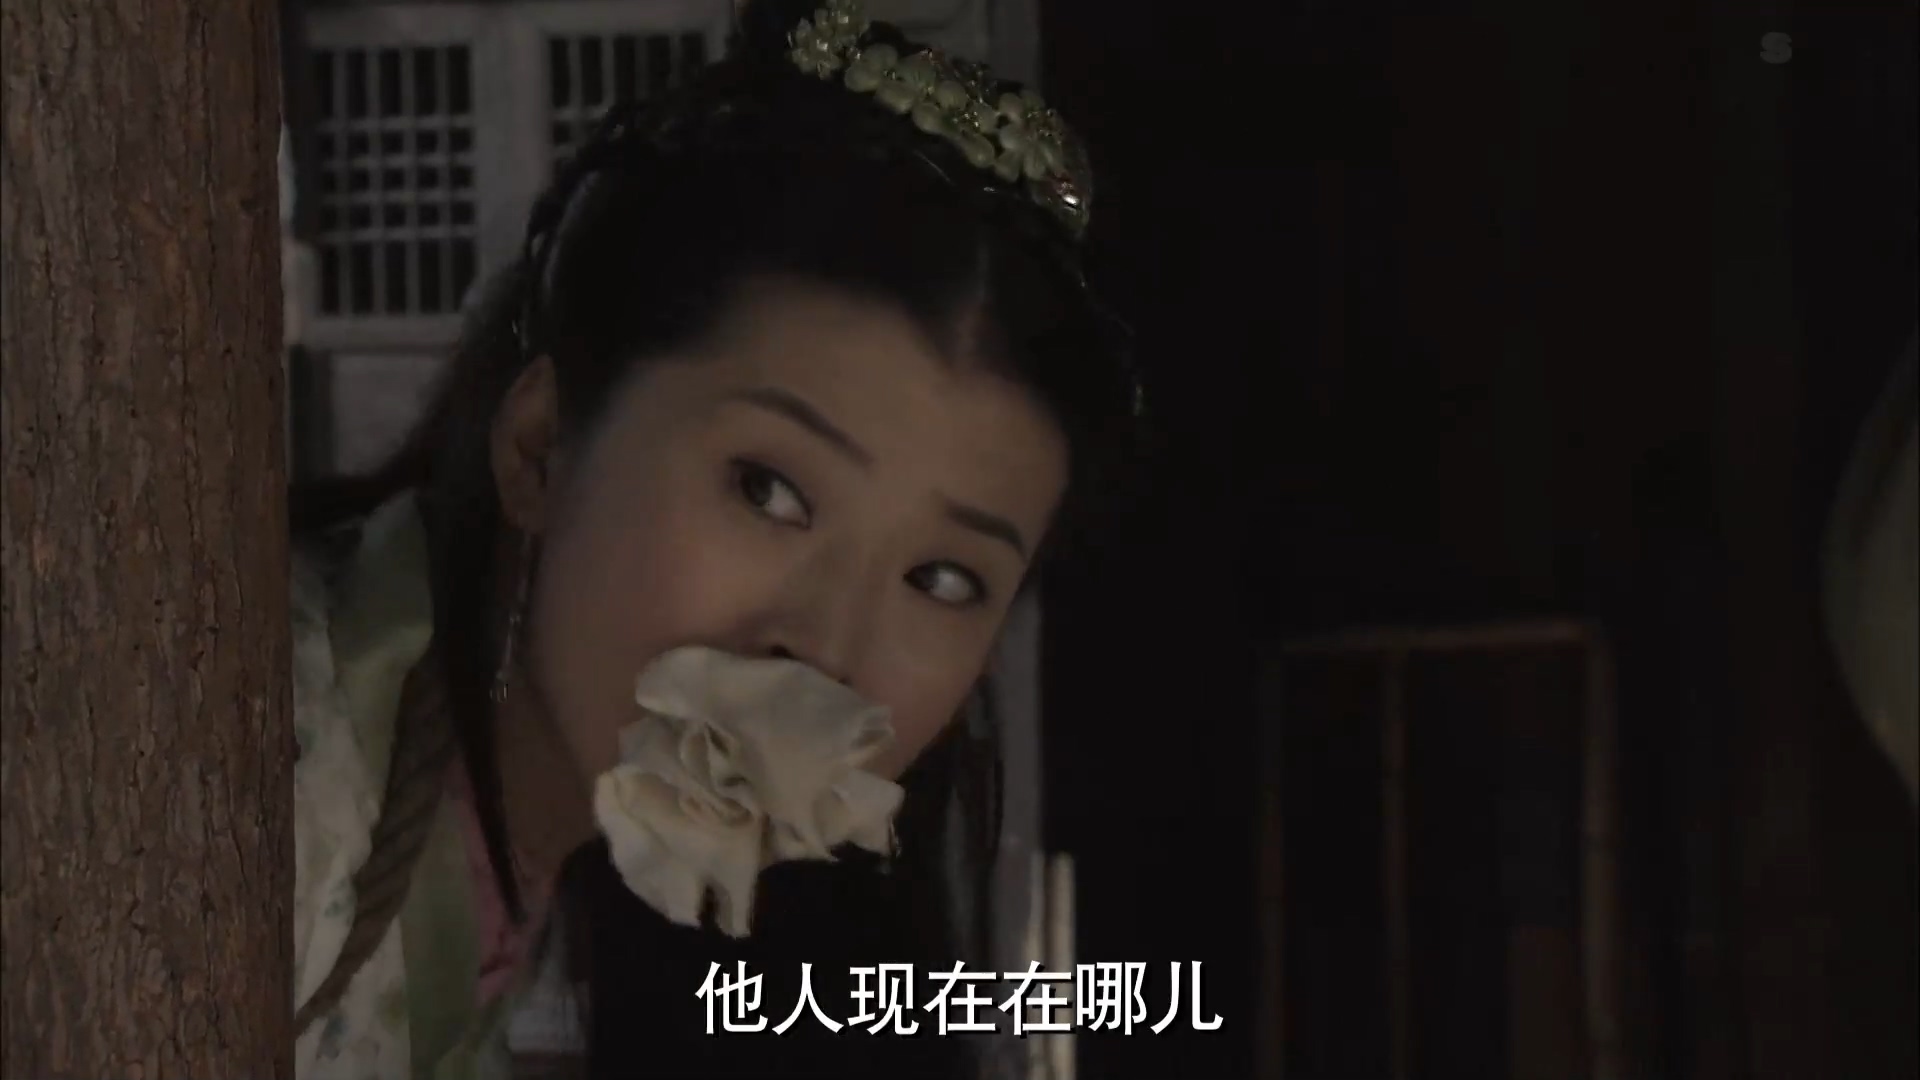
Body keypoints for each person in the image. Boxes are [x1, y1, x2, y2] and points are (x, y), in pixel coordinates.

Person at [289, 0, 1141, 1076]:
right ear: (542, 444)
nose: (825, 648)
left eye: (941, 577)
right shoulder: (283, 788)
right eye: (769, 491)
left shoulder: (546, 895)